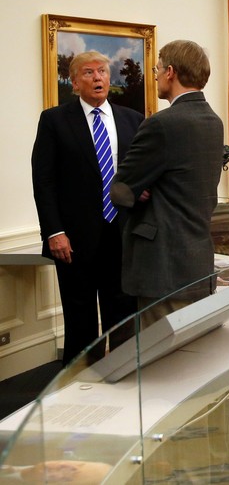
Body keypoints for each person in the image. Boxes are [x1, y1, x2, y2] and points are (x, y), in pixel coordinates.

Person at [31, 51, 143, 364]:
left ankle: (122, 378)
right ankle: (78, 385)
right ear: (75, 82)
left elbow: (141, 173)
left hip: (122, 235)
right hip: (73, 241)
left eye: (103, 72)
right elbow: (44, 182)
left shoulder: (132, 120)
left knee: (122, 315)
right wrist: (54, 231)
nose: (97, 78)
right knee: (79, 318)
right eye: (89, 72)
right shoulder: (54, 121)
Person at [110, 40, 224, 327]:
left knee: (159, 363)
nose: (156, 75)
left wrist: (141, 190)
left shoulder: (162, 123)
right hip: (197, 260)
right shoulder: (213, 120)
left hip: (162, 269)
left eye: (157, 69)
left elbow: (120, 191)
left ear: (170, 72)